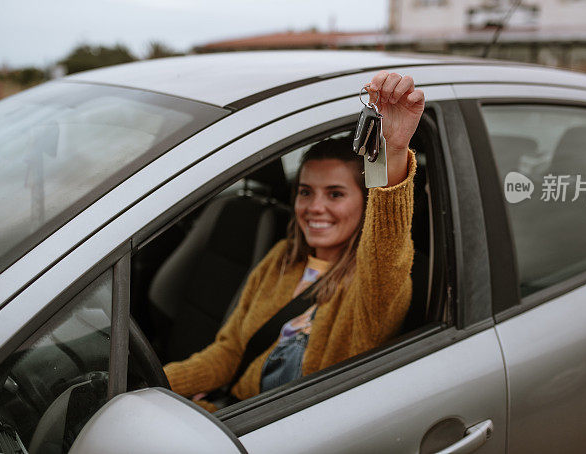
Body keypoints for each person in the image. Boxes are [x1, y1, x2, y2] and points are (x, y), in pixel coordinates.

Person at [163, 71, 425, 410]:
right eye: (305, 192)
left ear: (366, 203)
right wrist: (152, 384)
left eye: (335, 194)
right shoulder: (283, 258)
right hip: (229, 415)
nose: (315, 207)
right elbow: (229, 353)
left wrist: (393, 151)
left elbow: (387, 247)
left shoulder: (374, 284)